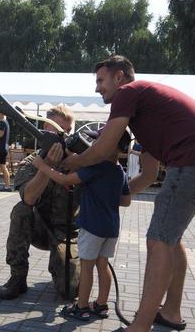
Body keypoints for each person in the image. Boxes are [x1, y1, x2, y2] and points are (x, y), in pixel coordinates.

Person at [63, 55, 195, 332]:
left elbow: (101, 150)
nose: (97, 89)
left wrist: (71, 161)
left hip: (193, 160)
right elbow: (150, 173)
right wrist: (116, 196)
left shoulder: (129, 94)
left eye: (101, 80)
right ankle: (171, 311)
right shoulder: (147, 114)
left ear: (120, 77)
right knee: (170, 236)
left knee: (158, 239)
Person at [34, 131, 132, 321]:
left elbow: (64, 180)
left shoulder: (96, 168)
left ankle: (82, 307)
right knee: (103, 266)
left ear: (111, 145)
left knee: (87, 268)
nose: (94, 143)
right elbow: (126, 201)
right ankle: (101, 305)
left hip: (92, 226)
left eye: (98, 140)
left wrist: (42, 166)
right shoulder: (119, 170)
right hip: (110, 228)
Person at [0, 105, 81, 300]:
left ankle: (61, 264)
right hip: (39, 227)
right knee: (21, 210)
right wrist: (47, 167)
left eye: (67, 131)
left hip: (67, 232)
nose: (64, 136)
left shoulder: (79, 162)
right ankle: (17, 277)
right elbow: (29, 198)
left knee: (70, 291)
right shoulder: (31, 161)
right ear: (46, 129)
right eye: (59, 131)